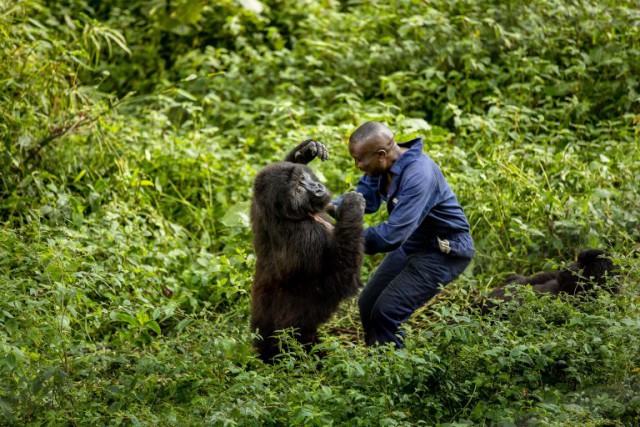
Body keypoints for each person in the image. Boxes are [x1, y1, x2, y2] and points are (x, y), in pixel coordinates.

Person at [336, 121, 475, 348]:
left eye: (360, 159)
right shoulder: (381, 166)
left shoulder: (419, 175)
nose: (357, 165)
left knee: (386, 311)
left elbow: (391, 235)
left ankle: (390, 372)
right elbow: (363, 200)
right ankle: (376, 363)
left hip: (443, 250)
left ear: (381, 154)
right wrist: (326, 207)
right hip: (415, 242)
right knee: (368, 303)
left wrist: (343, 237)